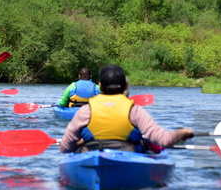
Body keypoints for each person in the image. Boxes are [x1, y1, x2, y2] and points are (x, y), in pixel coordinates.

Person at [59, 64, 194, 153]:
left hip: (92, 155)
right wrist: (183, 132)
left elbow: (64, 148)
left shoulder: (86, 111)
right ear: (125, 87)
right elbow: (164, 140)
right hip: (127, 156)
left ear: (100, 87)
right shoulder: (134, 110)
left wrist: (81, 141)